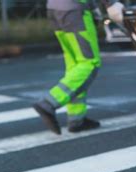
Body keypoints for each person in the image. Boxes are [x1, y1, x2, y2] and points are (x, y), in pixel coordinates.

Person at [33, 0, 124, 134]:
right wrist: (110, 3)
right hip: (75, 10)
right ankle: (50, 102)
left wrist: (94, 9)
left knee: (75, 65)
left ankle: (76, 119)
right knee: (89, 63)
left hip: (54, 8)